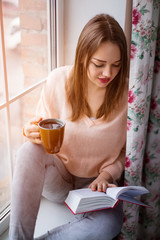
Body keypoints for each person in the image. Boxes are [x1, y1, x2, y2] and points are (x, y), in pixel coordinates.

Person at [9, 13, 129, 240]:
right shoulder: (58, 80)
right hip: (58, 178)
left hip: (95, 188)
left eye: (116, 65)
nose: (108, 73)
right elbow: (40, 128)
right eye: (99, 64)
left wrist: (107, 175)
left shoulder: (128, 96)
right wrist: (29, 131)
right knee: (27, 150)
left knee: (110, 224)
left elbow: (127, 152)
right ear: (83, 56)